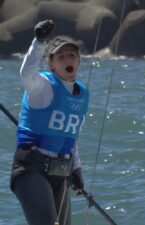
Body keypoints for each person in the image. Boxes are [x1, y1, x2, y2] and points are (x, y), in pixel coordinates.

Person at [10, 20, 89, 225]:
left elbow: (70, 136)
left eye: (72, 55)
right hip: (31, 170)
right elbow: (26, 73)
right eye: (61, 56)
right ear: (51, 64)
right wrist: (39, 41)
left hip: (61, 173)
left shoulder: (81, 94)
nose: (67, 59)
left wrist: (76, 168)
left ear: (78, 61)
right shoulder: (43, 86)